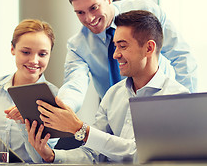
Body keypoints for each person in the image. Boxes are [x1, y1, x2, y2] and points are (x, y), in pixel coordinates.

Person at [25, 10, 190, 163]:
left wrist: (80, 128)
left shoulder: (177, 97)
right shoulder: (113, 94)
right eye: (115, 45)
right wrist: (51, 155)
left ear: (149, 48)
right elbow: (93, 154)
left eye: (123, 46)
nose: (115, 54)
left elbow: (140, 155)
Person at [58, 0, 197, 113]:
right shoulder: (78, 46)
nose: (89, 19)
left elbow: (181, 56)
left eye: (94, 8)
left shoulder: (147, 11)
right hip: (117, 117)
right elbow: (74, 84)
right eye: (80, 13)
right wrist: (63, 108)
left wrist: (186, 106)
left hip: (161, 106)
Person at [0, 19, 59, 163]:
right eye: (26, 52)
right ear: (12, 49)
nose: (34, 60)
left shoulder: (56, 97)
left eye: (42, 54)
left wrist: (23, 123)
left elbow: (44, 159)